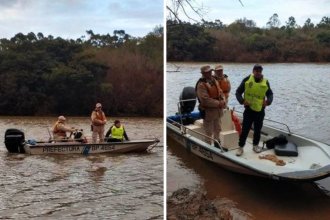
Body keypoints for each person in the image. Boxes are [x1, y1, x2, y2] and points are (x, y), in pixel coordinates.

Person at [235, 64, 273, 156]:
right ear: (253, 71)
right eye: (256, 71)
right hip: (249, 110)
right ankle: (240, 147)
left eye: (259, 71)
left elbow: (270, 94)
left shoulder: (265, 82)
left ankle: (255, 145)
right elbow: (238, 92)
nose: (258, 73)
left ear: (261, 72)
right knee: (245, 129)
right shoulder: (247, 80)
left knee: (257, 129)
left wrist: (268, 102)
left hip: (260, 110)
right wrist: (242, 101)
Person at [195, 65, 226, 148]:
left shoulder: (214, 80)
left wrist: (223, 100)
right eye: (207, 72)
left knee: (218, 128)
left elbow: (221, 92)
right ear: (203, 73)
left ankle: (217, 144)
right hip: (208, 112)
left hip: (218, 110)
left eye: (210, 71)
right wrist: (219, 103)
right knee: (208, 131)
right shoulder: (201, 85)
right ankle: (208, 147)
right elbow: (205, 100)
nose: (209, 73)